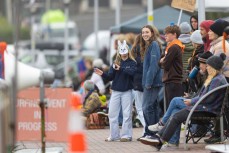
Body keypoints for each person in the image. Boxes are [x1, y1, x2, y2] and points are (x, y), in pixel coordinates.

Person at [140, 54, 227, 151]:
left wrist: (191, 101)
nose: (207, 67)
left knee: (176, 114)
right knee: (176, 112)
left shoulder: (217, 80)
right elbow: (204, 96)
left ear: (213, 67)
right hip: (203, 107)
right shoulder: (215, 78)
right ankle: (159, 138)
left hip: (207, 109)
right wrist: (191, 98)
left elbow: (208, 98)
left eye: (208, 66)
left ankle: (160, 138)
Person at [94, 40, 136, 142]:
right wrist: (102, 74)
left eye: (125, 51)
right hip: (116, 91)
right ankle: (114, 135)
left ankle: (126, 135)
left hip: (127, 91)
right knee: (112, 113)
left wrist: (121, 69)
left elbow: (132, 73)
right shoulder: (115, 63)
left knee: (127, 113)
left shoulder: (132, 63)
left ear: (128, 51)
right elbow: (110, 77)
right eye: (121, 51)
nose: (123, 53)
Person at [140, 25, 163, 138]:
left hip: (152, 82)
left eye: (147, 32)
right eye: (143, 32)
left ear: (152, 33)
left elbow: (154, 65)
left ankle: (151, 133)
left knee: (146, 107)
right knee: (152, 107)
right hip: (151, 82)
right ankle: (151, 132)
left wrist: (148, 82)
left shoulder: (154, 44)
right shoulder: (149, 45)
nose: (144, 34)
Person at [159, 24, 184, 110]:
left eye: (168, 33)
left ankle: (173, 123)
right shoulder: (172, 46)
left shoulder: (174, 47)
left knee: (172, 107)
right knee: (171, 105)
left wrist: (162, 61)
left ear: (174, 35)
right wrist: (162, 60)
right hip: (172, 80)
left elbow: (165, 64)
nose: (165, 35)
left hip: (173, 80)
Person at [130, 34, 146, 138]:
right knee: (146, 108)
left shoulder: (134, 54)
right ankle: (146, 130)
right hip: (146, 83)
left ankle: (146, 129)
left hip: (137, 83)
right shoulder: (147, 51)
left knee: (140, 108)